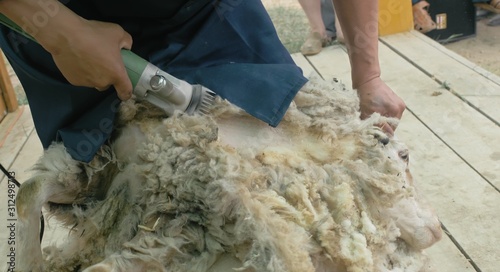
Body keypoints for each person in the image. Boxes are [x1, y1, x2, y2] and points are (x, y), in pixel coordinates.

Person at [0, 0, 405, 163]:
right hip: (55, 19)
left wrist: (367, 74)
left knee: (299, 157)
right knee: (126, 197)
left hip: (207, 12)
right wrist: (59, 31)